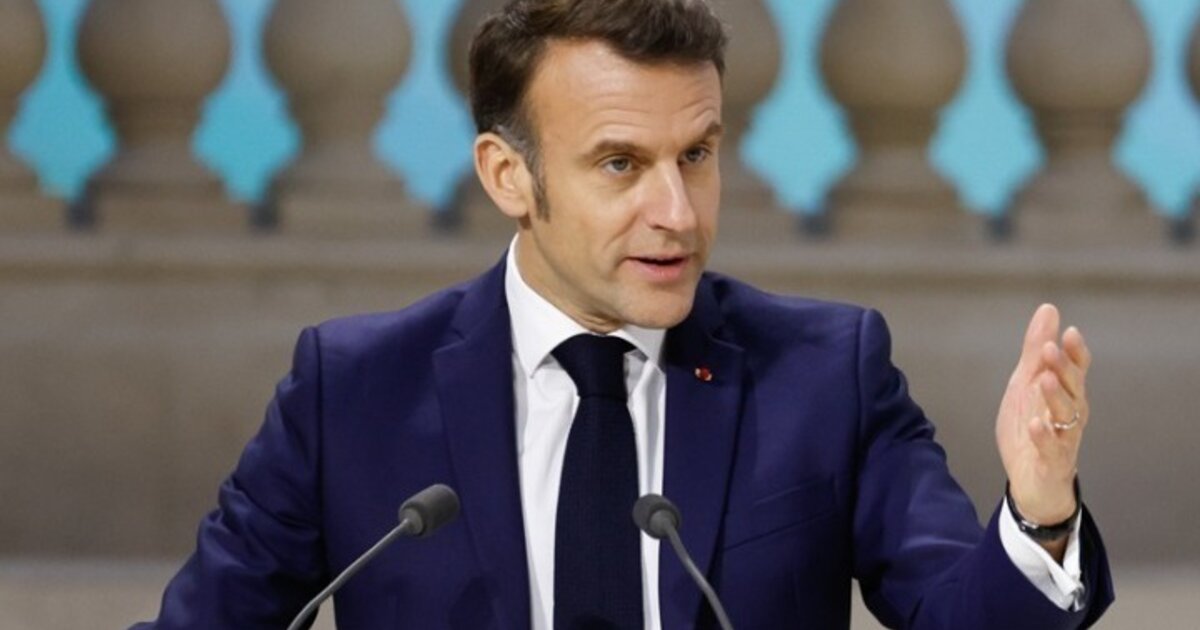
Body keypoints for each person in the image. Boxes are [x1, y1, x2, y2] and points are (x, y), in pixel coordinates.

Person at [137, 0, 1112, 628]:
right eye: (620, 164)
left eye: (697, 155)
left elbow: (960, 615)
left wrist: (1039, 513)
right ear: (508, 176)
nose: (677, 213)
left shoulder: (827, 375)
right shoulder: (353, 393)